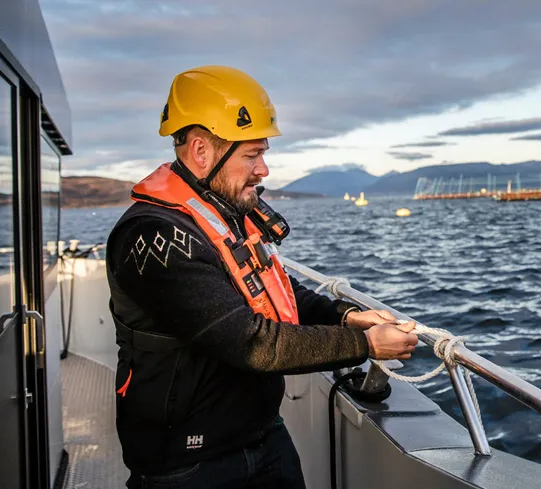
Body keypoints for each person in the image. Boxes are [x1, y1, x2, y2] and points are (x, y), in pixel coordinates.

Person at [106, 65, 419, 489]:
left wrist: (344, 316)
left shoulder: (227, 215)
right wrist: (364, 345)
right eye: (252, 155)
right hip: (186, 464)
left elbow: (274, 290)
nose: (264, 170)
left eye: (263, 154)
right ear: (201, 151)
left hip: (261, 435)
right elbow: (250, 342)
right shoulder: (154, 238)